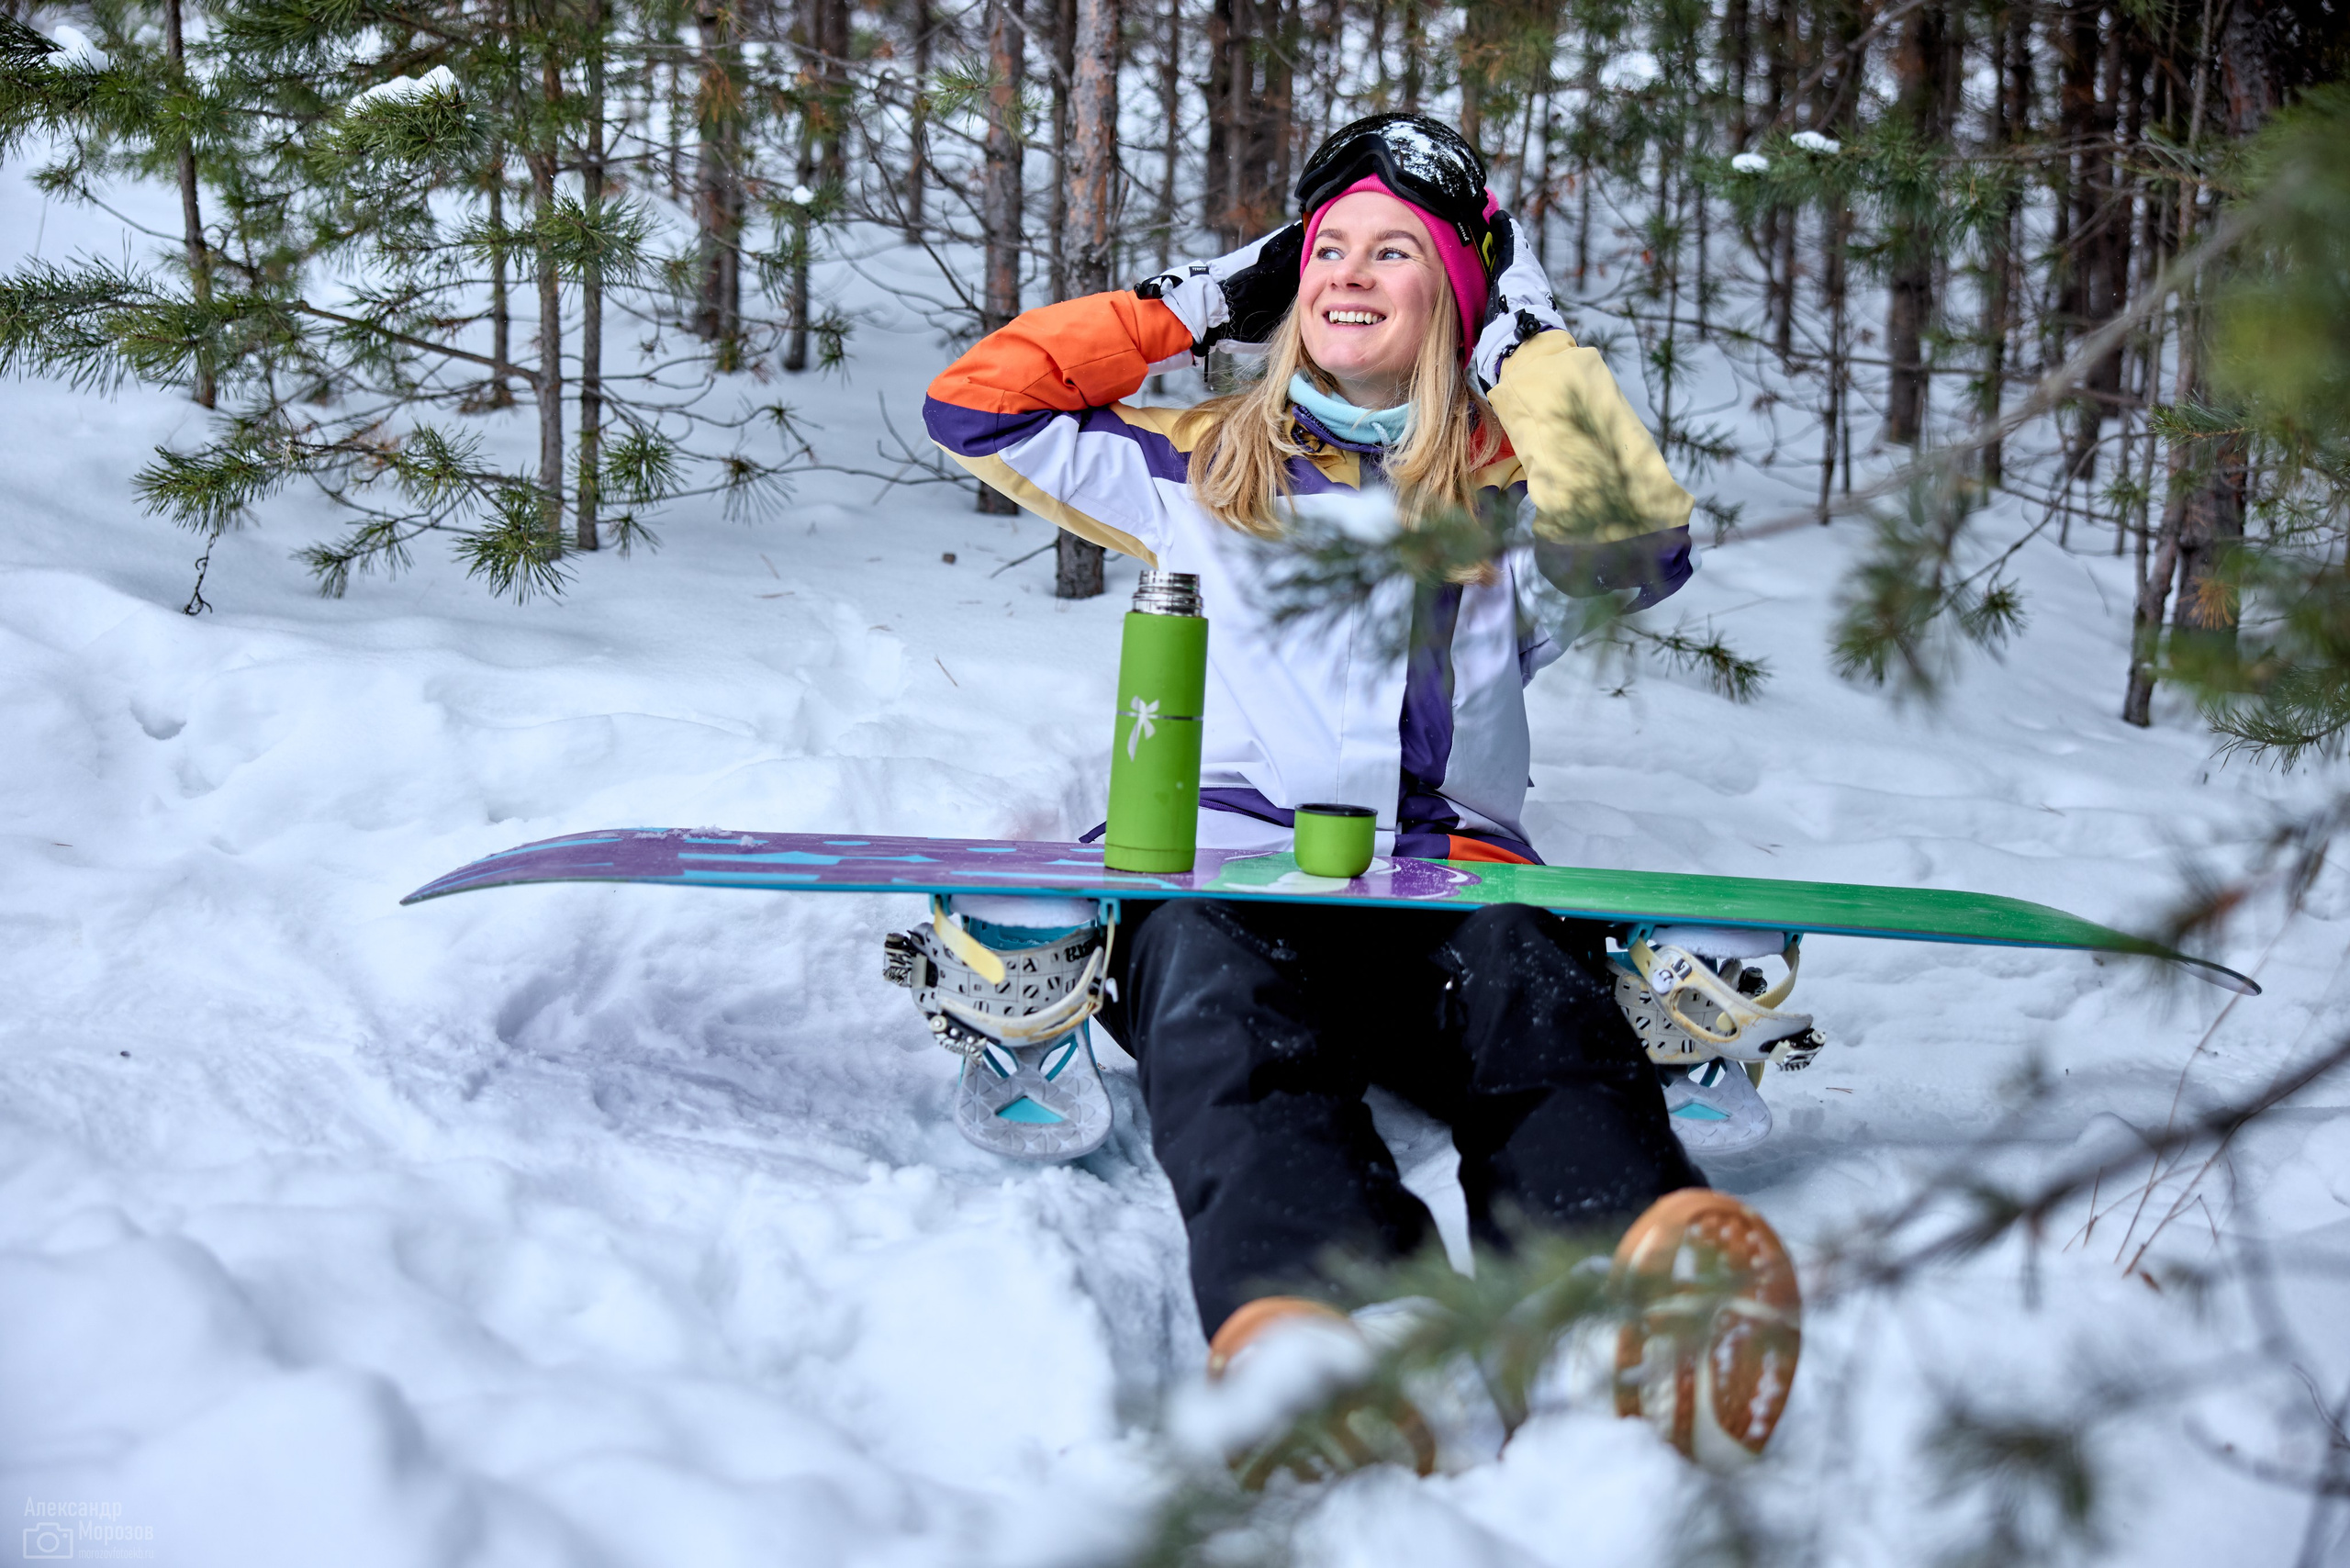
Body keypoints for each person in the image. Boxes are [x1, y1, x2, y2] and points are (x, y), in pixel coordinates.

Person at [922, 115, 1798, 1469]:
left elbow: (1638, 540)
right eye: (1327, 247)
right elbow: (978, 404)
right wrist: (1203, 300)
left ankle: (1613, 1303)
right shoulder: (1197, 465)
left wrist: (1529, 350)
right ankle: (1319, 1322)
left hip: (1448, 887)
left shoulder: (1517, 499)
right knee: (1216, 1012)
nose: (1348, 271)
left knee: (1532, 995)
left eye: (1396, 250)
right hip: (1218, 873)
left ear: (1459, 297)